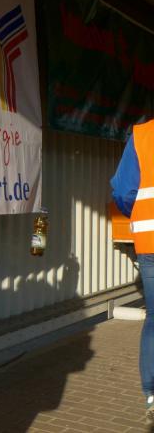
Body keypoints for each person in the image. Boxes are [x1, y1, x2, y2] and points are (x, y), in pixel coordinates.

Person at [111, 118, 154, 423]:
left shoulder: (142, 134)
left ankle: (152, 393)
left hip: (149, 240)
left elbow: (124, 191)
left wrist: (139, 213)